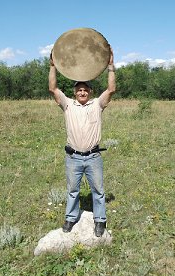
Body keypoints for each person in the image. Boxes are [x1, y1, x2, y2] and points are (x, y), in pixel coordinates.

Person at [49, 48, 116, 237]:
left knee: (98, 190)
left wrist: (110, 66)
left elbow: (111, 89)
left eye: (85, 90)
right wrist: (53, 66)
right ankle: (70, 218)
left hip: (93, 156)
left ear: (90, 92)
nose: (82, 92)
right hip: (73, 157)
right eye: (79, 90)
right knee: (72, 190)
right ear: (75, 92)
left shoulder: (97, 105)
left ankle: (100, 221)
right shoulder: (68, 105)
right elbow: (53, 89)